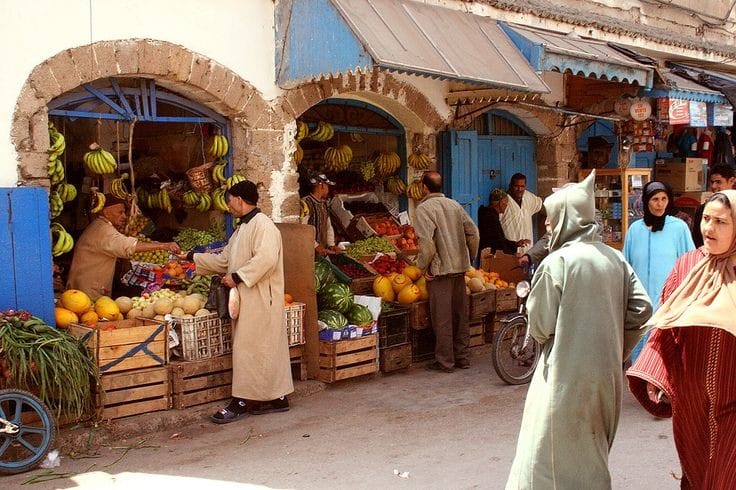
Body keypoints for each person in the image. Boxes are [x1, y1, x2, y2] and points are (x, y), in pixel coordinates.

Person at [505, 171, 652, 489]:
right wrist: (615, 348)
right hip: (606, 378)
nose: (546, 226)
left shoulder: (557, 262)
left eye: (550, 219)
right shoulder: (615, 258)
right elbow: (642, 310)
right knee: (591, 458)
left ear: (566, 218)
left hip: (563, 379)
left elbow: (541, 326)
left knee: (544, 462)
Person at [627, 190, 736, 489]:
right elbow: (665, 324)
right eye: (707, 219)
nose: (709, 228)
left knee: (725, 475)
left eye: (721, 222)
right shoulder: (688, 266)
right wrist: (654, 374)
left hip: (733, 396)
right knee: (698, 473)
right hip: (692, 401)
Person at [178, 180, 293, 423]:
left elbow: (267, 259)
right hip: (248, 297)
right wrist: (191, 256)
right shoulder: (242, 229)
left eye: (229, 200)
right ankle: (276, 398)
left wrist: (238, 276)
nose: (228, 206)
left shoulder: (264, 226)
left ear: (239, 199)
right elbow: (223, 260)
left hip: (262, 298)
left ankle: (241, 401)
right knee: (262, 347)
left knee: (251, 348)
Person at [414, 171, 479, 373]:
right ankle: (463, 358)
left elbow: (427, 246)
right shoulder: (454, 205)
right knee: (460, 315)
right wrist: (469, 257)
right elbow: (473, 233)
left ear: (424, 187)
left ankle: (445, 362)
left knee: (442, 319)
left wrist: (422, 268)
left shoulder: (423, 209)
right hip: (460, 269)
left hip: (440, 272)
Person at [623, 181, 695, 362]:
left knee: (665, 361)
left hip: (669, 305)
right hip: (640, 307)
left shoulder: (679, 228)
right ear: (646, 201)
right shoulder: (635, 230)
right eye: (655, 199)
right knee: (639, 360)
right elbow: (625, 267)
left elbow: (691, 264)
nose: (660, 204)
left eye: (664, 199)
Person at [66, 195, 180, 299]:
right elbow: (129, 246)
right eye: (120, 212)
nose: (124, 216)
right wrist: (163, 245)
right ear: (106, 213)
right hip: (88, 290)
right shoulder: (104, 230)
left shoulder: (98, 225)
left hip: (83, 285)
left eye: (124, 212)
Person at [691, 164, 736, 247]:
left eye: (718, 182)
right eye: (712, 182)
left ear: (732, 181)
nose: (713, 186)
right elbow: (697, 240)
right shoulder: (703, 209)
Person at [500, 173, 543, 255]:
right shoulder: (503, 201)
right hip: (510, 252)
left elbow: (542, 206)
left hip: (528, 252)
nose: (519, 189)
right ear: (510, 185)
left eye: (522, 186)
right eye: (516, 186)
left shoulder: (528, 197)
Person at [478, 188, 530, 255]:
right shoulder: (490, 217)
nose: (506, 206)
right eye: (506, 204)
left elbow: (500, 240)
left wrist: (516, 244)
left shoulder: (491, 215)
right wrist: (512, 254)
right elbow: (497, 243)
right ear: (500, 203)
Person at [300, 173, 340, 256]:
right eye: (327, 186)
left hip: (322, 252)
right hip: (308, 252)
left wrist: (331, 244)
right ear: (322, 186)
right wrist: (315, 245)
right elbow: (302, 228)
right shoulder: (306, 203)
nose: (328, 190)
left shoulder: (324, 204)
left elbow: (328, 226)